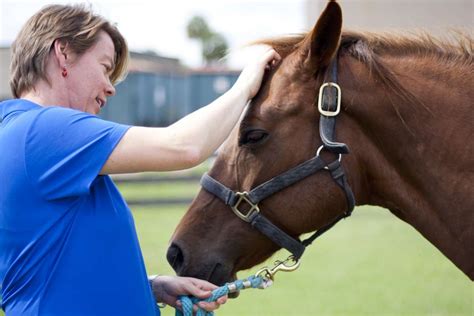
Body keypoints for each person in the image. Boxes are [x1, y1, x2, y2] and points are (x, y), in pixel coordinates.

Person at [0, 4, 280, 316]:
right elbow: (184, 146)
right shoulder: (43, 130)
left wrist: (152, 286)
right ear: (63, 53)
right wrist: (248, 82)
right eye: (105, 67)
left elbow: (42, 271)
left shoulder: (19, 135)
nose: (110, 88)